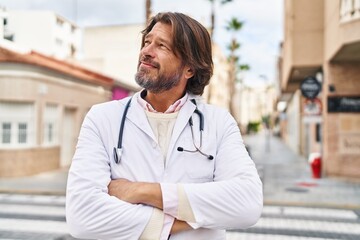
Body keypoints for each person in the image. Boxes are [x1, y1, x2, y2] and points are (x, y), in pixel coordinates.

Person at [66, 12, 263, 240]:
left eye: (162, 46)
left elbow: (247, 203)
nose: (146, 52)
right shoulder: (102, 118)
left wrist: (140, 191)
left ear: (189, 68)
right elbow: (82, 217)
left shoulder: (219, 123)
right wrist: (191, 218)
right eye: (147, 42)